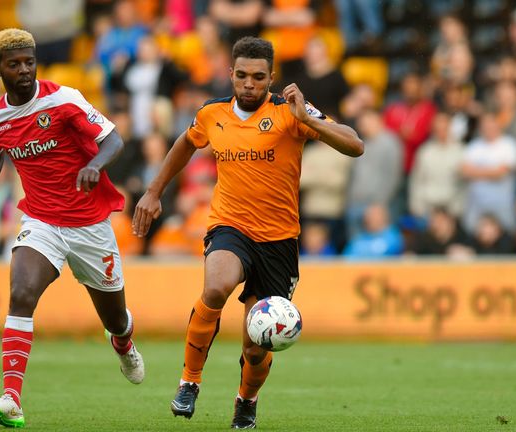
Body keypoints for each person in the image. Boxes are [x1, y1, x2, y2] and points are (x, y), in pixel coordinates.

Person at [132, 36, 363, 429]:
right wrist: (153, 192)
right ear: (231, 75)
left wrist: (308, 119)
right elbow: (185, 144)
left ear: (271, 77)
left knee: (255, 348)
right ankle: (190, 380)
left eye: (258, 76)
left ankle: (247, 400)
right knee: (216, 287)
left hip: (279, 239)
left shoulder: (291, 112)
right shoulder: (212, 113)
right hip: (230, 225)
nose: (249, 83)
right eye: (242, 75)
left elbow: (355, 145)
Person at [0, 28, 144, 429]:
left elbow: (113, 139)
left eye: (30, 62)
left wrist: (95, 164)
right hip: (42, 220)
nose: (25, 70)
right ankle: (12, 398)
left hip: (89, 225)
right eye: (15, 64)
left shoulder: (63, 100)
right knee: (21, 292)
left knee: (114, 317)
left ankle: (122, 340)